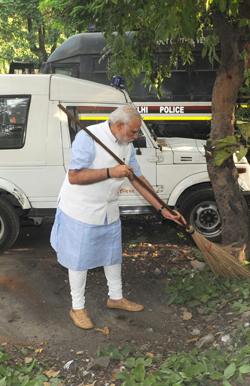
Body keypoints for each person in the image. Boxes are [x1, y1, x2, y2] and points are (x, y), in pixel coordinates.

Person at [50, 105, 186, 330]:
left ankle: (115, 297)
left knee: (112, 256)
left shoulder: (126, 144)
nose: (135, 136)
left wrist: (163, 209)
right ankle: (77, 307)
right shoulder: (88, 138)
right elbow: (74, 176)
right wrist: (110, 172)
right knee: (78, 261)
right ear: (119, 125)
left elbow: (137, 178)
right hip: (80, 209)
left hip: (108, 208)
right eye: (133, 132)